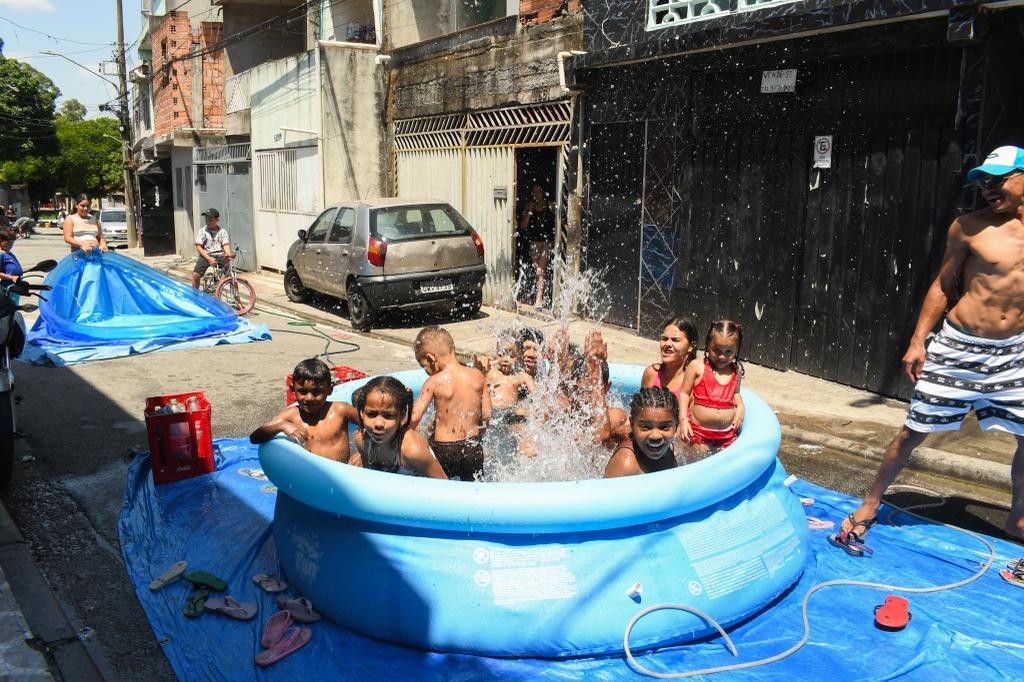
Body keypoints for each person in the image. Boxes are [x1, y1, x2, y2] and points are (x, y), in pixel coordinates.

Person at [840, 145, 1024, 544]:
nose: (989, 189)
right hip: (960, 348)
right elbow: (943, 285)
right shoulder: (968, 226)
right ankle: (870, 504)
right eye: (984, 182)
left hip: (1014, 353)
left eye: (1000, 179)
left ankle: (1017, 520)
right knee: (913, 430)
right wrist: (917, 341)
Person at [410, 326, 492, 481]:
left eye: (424, 367)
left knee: (439, 490)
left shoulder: (433, 382)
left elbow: (414, 418)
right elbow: (487, 414)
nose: (426, 371)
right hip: (472, 447)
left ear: (430, 358)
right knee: (474, 491)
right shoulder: (478, 376)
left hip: (444, 450)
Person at [249, 358, 359, 463]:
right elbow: (255, 437)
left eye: (317, 392)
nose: (309, 398)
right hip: (309, 474)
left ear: (330, 390)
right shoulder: (291, 415)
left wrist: (361, 452)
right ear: (293, 390)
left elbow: (370, 423)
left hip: (342, 473)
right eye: (302, 391)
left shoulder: (341, 410)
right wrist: (281, 425)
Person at [349, 376, 448, 479]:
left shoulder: (412, 450)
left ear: (402, 415)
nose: (378, 423)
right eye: (371, 414)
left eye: (388, 416)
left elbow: (444, 486)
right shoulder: (362, 441)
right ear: (361, 413)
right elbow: (369, 477)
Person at [679, 320, 745, 450]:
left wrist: (741, 407)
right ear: (708, 345)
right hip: (698, 433)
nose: (721, 356)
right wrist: (683, 421)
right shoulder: (697, 366)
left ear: (736, 351)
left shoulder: (736, 370)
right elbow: (684, 394)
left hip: (726, 435)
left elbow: (736, 394)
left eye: (728, 352)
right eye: (717, 350)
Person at [604, 387, 680, 477]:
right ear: (632, 425)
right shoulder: (626, 463)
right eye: (646, 427)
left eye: (664, 427)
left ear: (676, 425)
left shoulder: (667, 450)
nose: (655, 436)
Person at [641, 316, 699, 404]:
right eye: (664, 339)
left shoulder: (694, 383)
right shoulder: (651, 373)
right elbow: (639, 410)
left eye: (675, 340)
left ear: (691, 346)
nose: (667, 344)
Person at [517, 183, 555, 308]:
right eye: (534, 192)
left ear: (543, 193)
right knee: (538, 271)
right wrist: (529, 212)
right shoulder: (530, 206)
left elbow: (560, 219)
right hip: (534, 243)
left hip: (546, 243)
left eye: (539, 192)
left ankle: (539, 300)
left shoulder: (549, 205)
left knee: (540, 270)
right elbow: (523, 225)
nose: (536, 195)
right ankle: (540, 296)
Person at [484, 332, 534, 418]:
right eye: (501, 354)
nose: (506, 359)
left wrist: (527, 410)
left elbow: (535, 394)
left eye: (511, 355)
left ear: (519, 356)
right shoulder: (490, 370)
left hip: (509, 413)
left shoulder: (520, 376)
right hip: (489, 411)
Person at [191, 208, 234, 289]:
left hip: (219, 255)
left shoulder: (222, 231)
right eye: (206, 220)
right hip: (206, 255)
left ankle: (234, 297)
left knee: (231, 275)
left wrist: (228, 253)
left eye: (210, 220)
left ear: (217, 220)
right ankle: (194, 295)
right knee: (195, 275)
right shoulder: (202, 231)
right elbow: (198, 247)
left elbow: (225, 244)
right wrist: (209, 259)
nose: (208, 222)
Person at [0, 227, 23, 293]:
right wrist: (11, 278)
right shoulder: (1, 255)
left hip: (14, 287)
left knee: (14, 303)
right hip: (6, 289)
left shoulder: (8, 253)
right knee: (8, 303)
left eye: (12, 243)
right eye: (8, 243)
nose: (10, 245)